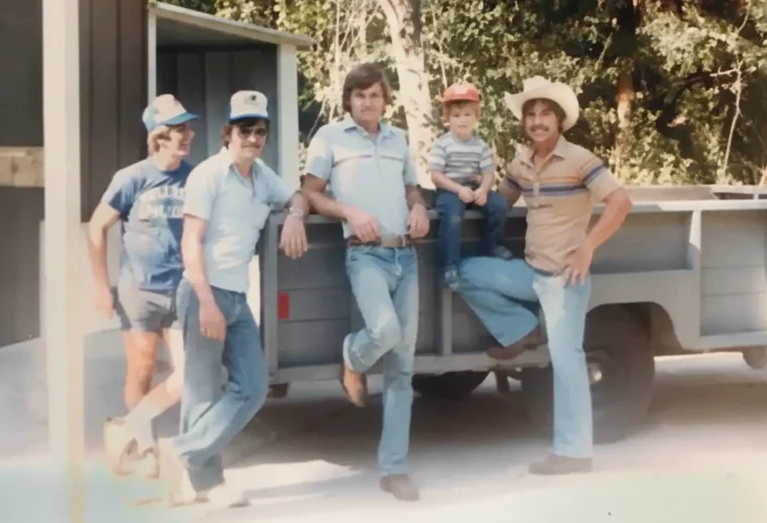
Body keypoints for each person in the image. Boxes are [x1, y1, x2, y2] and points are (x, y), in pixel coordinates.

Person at [456, 76, 632, 475]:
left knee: (567, 361)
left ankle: (575, 452)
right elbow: (500, 203)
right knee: (463, 272)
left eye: (545, 114)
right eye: (531, 114)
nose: (537, 121)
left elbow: (621, 202)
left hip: (565, 278)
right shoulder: (521, 163)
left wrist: (587, 247)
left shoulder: (580, 160)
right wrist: (461, 189)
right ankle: (522, 328)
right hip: (530, 273)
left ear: (559, 120)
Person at [159, 90, 309, 509]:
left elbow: (296, 195)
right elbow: (191, 242)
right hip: (204, 293)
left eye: (260, 130)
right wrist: (206, 303)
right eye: (245, 130)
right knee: (202, 394)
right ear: (228, 133)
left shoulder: (262, 176)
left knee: (254, 387)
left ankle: (181, 452)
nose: (253, 138)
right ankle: (205, 482)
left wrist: (295, 217)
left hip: (238, 297)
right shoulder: (207, 175)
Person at [301, 63, 430, 503]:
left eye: (375, 95)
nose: (368, 102)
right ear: (349, 100)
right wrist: (350, 212)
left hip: (405, 255)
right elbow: (311, 192)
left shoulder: (398, 139)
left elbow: (412, 188)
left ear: (385, 100)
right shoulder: (330, 137)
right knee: (385, 331)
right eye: (359, 95)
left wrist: (419, 207)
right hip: (365, 254)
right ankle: (353, 358)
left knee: (403, 367)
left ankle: (394, 469)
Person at [87, 94, 198, 478]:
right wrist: (101, 287)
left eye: (188, 128)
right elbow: (96, 227)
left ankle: (127, 427)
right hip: (139, 292)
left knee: (188, 376)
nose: (189, 135)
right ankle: (146, 446)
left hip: (181, 289)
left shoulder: (195, 178)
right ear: (159, 136)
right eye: (180, 129)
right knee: (142, 370)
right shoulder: (132, 178)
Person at [429, 82, 511, 291]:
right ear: (447, 118)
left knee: (499, 205)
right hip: (450, 189)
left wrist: (483, 189)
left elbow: (488, 173)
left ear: (477, 117)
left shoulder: (480, 145)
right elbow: (436, 176)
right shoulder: (442, 144)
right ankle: (449, 265)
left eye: (467, 114)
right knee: (453, 215)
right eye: (456, 115)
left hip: (474, 188)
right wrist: (458, 189)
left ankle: (491, 245)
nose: (462, 120)